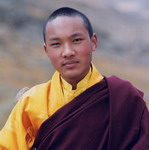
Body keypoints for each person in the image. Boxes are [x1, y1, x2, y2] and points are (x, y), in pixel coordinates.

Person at [0, 7, 149, 150]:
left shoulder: (124, 98)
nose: (68, 52)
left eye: (76, 40)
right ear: (46, 50)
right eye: (56, 44)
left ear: (94, 42)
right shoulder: (31, 102)